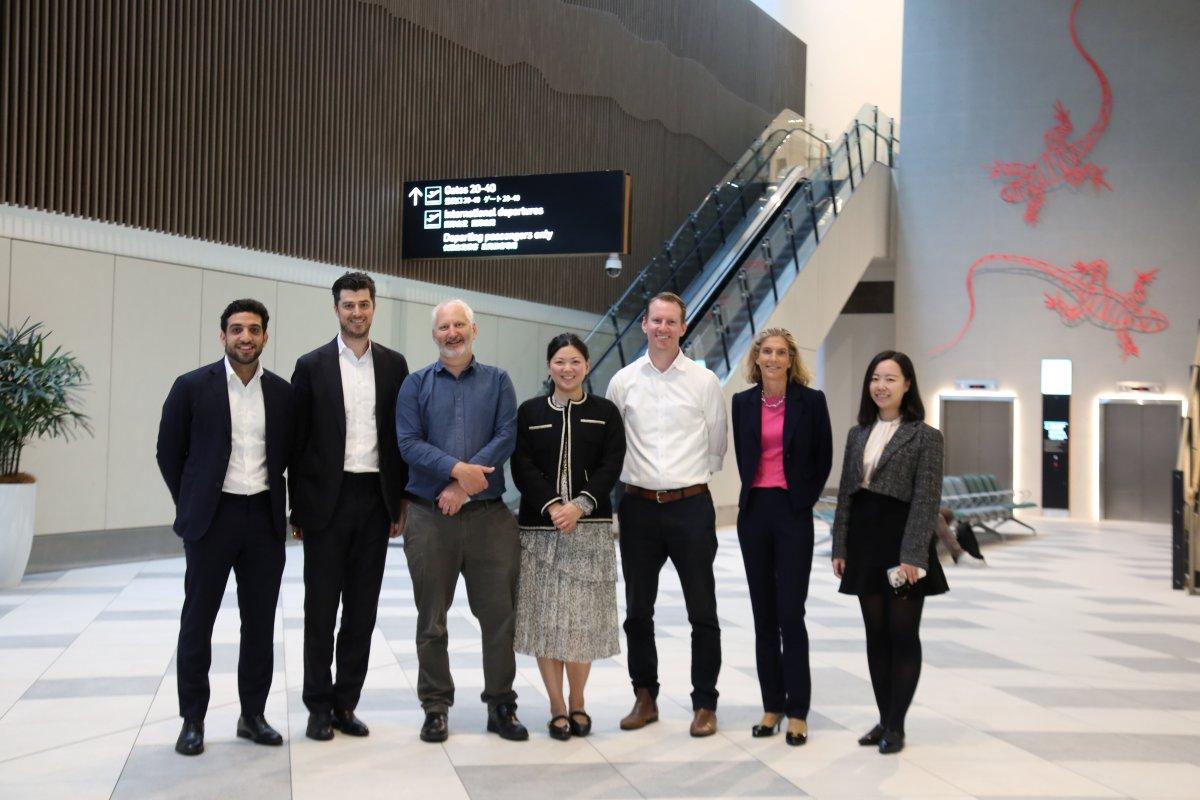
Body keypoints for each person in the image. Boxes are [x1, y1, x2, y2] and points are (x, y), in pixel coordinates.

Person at [156, 299, 294, 756]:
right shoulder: (192, 386)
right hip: (213, 521)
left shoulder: (281, 393)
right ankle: (192, 719)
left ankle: (252, 715)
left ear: (265, 338)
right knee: (198, 620)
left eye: (254, 330)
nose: (245, 337)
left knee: (258, 624)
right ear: (222, 336)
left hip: (264, 520)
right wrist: (193, 501)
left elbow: (291, 455)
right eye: (236, 329)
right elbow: (168, 453)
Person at [394, 298, 527, 743]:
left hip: (490, 518)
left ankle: (501, 704)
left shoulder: (498, 381)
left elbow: (506, 434)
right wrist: (456, 471)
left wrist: (464, 485)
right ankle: (435, 707)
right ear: (434, 335)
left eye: (459, 325)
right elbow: (408, 443)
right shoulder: (415, 385)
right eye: (443, 327)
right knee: (431, 617)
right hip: (431, 518)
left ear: (474, 330)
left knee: (499, 616)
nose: (451, 333)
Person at [289, 271, 410, 741]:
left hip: (374, 501)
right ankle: (317, 706)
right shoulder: (311, 365)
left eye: (363, 304)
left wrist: (399, 499)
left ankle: (346, 703)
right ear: (335, 309)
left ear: (373, 308)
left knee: (362, 611)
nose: (356, 313)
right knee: (320, 611)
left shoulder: (395, 365)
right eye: (347, 305)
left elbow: (400, 440)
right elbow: (297, 445)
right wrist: (298, 509)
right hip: (325, 502)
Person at [605, 291, 728, 737]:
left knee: (703, 611)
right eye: (656, 320)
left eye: (671, 322)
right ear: (645, 324)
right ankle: (645, 696)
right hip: (637, 507)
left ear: (682, 327)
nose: (662, 328)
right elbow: (612, 444)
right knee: (638, 611)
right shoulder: (622, 382)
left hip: (691, 506)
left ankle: (705, 703)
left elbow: (717, 445)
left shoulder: (704, 381)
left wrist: (685, 481)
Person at [830, 350, 947, 755]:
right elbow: (846, 494)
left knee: (902, 634)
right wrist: (840, 545)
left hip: (901, 546)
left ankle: (896, 724)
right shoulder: (857, 433)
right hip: (864, 542)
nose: (881, 385)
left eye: (891, 378)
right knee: (875, 636)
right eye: (875, 378)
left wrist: (914, 555)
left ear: (908, 385)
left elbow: (926, 501)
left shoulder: (926, 437)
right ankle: (884, 717)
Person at [511, 333, 626, 740]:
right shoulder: (529, 412)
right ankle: (556, 706)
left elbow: (612, 464)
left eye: (575, 361)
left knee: (580, 623)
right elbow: (522, 467)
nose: (567, 368)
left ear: (587, 366)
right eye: (560, 361)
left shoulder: (605, 412)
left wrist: (581, 504)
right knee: (547, 622)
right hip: (540, 532)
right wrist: (554, 506)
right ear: (549, 366)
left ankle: (579, 701)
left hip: (589, 530)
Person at [730, 328, 832, 746]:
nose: (772, 358)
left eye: (781, 352)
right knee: (763, 616)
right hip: (755, 512)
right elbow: (743, 453)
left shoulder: (811, 401)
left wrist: (801, 500)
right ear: (756, 359)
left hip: (792, 513)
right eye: (766, 352)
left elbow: (823, 457)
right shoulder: (742, 403)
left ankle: (798, 711)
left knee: (791, 613)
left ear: (791, 359)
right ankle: (772, 705)